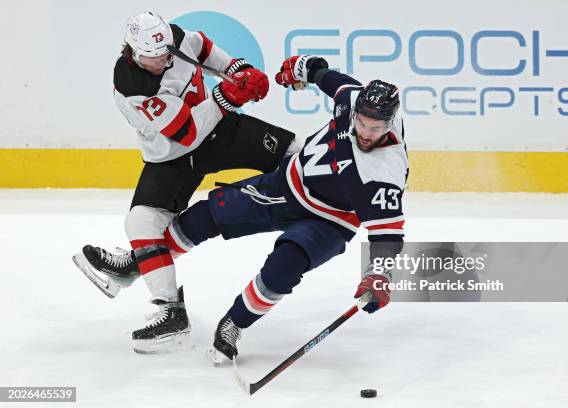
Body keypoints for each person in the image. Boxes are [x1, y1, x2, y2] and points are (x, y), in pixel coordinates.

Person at [156, 55, 408, 363]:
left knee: (283, 268)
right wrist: (309, 69)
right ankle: (140, 260)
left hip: (330, 221)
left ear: (390, 122)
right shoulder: (353, 99)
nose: (366, 132)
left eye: (376, 127)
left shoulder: (387, 169)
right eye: (362, 123)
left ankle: (234, 323)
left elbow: (388, 234)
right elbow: (333, 82)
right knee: (205, 216)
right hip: (286, 186)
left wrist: (379, 273)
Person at [72, 11, 299, 354]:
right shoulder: (133, 86)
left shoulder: (173, 41)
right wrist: (228, 96)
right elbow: (187, 133)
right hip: (174, 155)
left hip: (221, 132)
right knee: (141, 222)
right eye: (154, 56)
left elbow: (202, 48)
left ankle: (133, 266)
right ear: (134, 52)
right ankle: (170, 311)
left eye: (166, 51)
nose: (164, 59)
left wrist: (237, 70)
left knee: (295, 152)